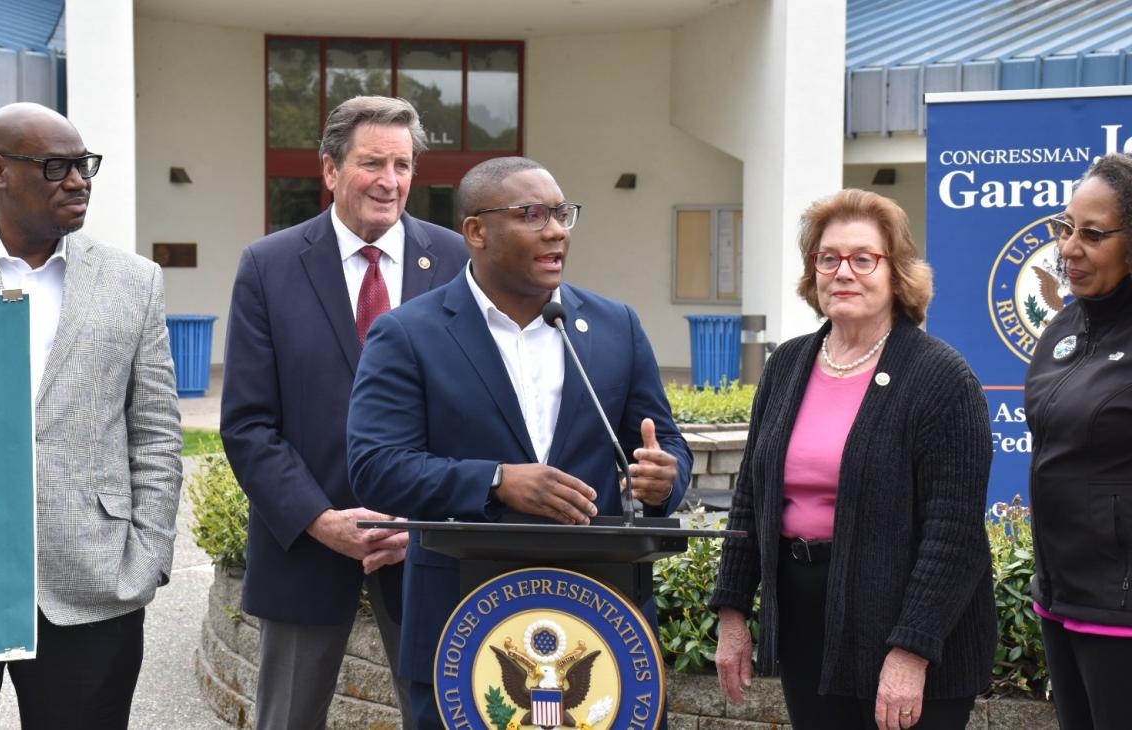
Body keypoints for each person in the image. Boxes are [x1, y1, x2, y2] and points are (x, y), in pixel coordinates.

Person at [346, 156, 692, 729]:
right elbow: (377, 467)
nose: (556, 230)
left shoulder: (615, 327)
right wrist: (497, 481)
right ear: (476, 231)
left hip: (600, 625)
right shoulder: (409, 334)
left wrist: (663, 477)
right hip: (461, 626)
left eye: (562, 214)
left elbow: (665, 447)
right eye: (532, 214)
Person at [220, 95, 467, 730]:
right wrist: (318, 519)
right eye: (372, 163)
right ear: (330, 171)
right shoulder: (268, 266)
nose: (390, 181)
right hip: (306, 547)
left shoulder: (460, 265)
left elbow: (479, 409)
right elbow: (248, 423)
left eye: (403, 165)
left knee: (445, 714)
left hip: (427, 544)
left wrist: (426, 518)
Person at [0, 103, 182, 729]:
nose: (78, 181)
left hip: (92, 583)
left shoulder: (133, 280)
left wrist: (149, 551)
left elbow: (155, 429)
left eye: (83, 165)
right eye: (55, 166)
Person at [710, 189, 996, 730]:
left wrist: (911, 651)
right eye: (828, 257)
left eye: (863, 258)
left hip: (905, 628)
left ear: (897, 273)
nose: (843, 272)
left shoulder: (941, 377)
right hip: (805, 620)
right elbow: (750, 497)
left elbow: (952, 533)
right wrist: (732, 613)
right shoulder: (788, 364)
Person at [1025, 152, 1132, 730]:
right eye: (1066, 228)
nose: (1069, 248)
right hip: (1060, 597)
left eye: (1093, 234)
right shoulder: (1066, 328)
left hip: (1121, 609)